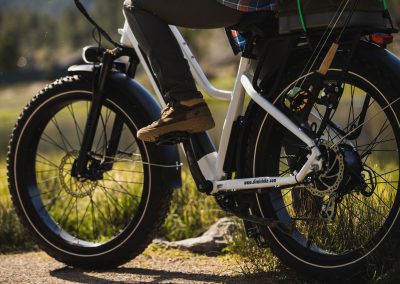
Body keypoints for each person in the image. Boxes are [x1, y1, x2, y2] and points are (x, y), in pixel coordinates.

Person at [123, 0, 278, 142]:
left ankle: (186, 103)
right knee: (277, 109)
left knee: (136, 4)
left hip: (248, 4)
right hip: (280, 9)